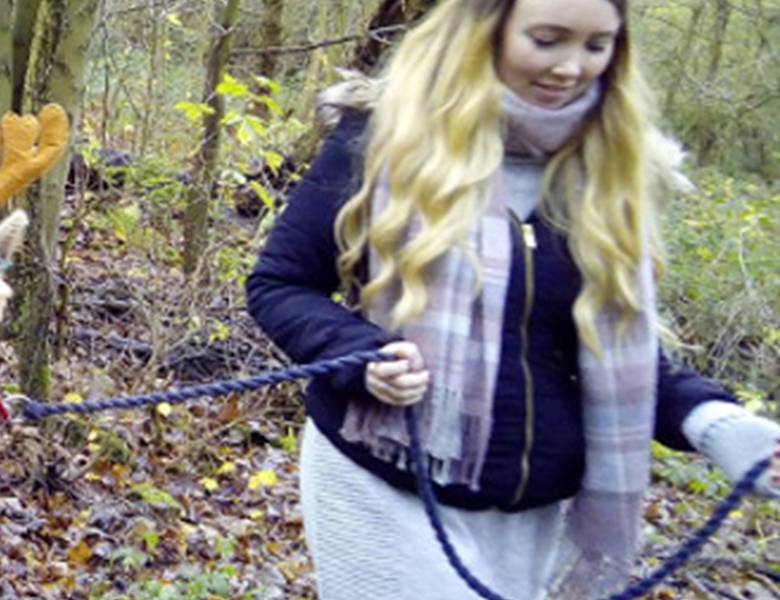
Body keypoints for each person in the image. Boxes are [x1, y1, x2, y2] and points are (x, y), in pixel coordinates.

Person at [245, 0, 780, 598]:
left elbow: (616, 357)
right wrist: (360, 356)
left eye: (597, 45)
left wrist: (719, 426)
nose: (572, 67)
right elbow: (280, 284)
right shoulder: (379, 138)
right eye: (547, 40)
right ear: (485, 29)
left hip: (531, 515)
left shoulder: (613, 172)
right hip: (380, 481)